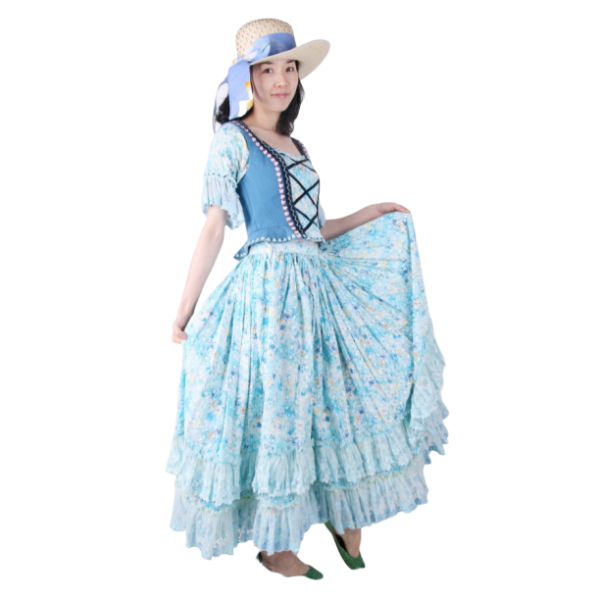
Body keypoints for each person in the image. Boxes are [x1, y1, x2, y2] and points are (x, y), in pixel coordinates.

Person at [166, 17, 449, 581]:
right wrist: (184, 309)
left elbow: (315, 227)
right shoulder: (232, 142)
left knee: (332, 395)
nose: (280, 80)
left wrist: (373, 211)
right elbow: (215, 227)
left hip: (316, 287)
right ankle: (275, 545)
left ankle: (344, 508)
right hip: (270, 297)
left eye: (289, 68)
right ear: (247, 79)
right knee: (281, 408)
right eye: (267, 69)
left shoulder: (295, 145)